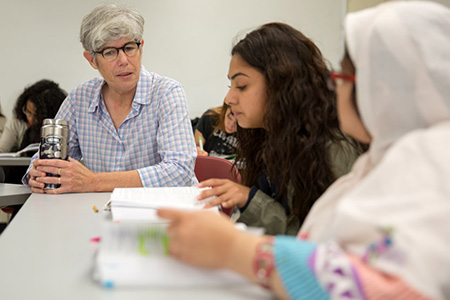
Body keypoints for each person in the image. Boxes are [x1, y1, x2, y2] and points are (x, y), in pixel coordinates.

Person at [158, 2, 450, 299]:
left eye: (242, 86)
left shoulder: (392, 165)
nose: (229, 98)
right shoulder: (372, 161)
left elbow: (349, 273)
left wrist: (236, 247)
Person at [196, 23, 356, 235]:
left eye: (241, 86)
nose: (229, 99)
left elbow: (315, 240)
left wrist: (250, 199)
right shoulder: (268, 134)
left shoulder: (332, 148)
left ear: (280, 83)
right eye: (230, 86)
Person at [23, 4, 197, 193]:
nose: (123, 60)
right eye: (110, 52)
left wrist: (93, 181)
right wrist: (39, 174)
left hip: (163, 214)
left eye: (129, 48)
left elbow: (180, 171)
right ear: (91, 60)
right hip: (99, 213)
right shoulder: (79, 99)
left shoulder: (167, 93)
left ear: (141, 48)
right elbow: (45, 161)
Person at [0, 79, 66, 153]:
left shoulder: (59, 127)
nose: (30, 118)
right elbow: (2, 150)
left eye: (37, 115)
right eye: (28, 112)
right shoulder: (17, 119)